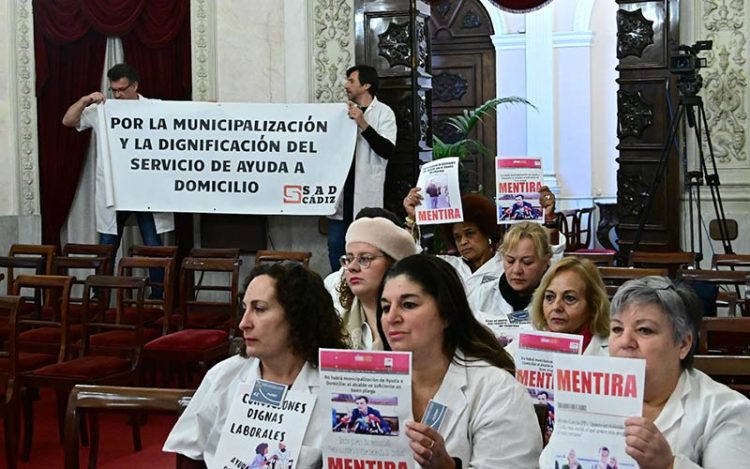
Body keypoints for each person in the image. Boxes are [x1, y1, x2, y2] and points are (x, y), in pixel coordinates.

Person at [163, 262, 349, 468]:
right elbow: (189, 454)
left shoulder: (336, 391)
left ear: (298, 317)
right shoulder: (223, 376)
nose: (244, 323)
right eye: (245, 309)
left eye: (259, 309)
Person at [377, 254, 542, 468]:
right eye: (385, 308)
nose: (391, 318)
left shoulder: (497, 390)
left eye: (408, 305)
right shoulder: (374, 384)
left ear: (447, 314)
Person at [608, 276, 750, 468]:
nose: (625, 342)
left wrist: (669, 465)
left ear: (683, 344)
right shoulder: (587, 394)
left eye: (644, 330)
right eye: (617, 328)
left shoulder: (726, 410)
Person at [61, 63, 173, 260]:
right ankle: (101, 290)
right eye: (114, 90)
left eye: (122, 90)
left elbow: (184, 121)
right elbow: (68, 121)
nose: (118, 95)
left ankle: (157, 292)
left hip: (144, 189)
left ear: (135, 86)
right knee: (107, 244)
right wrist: (85, 100)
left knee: (153, 245)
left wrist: (205, 109)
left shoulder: (153, 108)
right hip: (114, 189)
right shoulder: (103, 110)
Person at [327, 64, 397, 272]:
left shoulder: (384, 113)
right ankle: (339, 294)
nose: (346, 85)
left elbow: (386, 150)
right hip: (341, 194)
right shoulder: (340, 112)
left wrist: (362, 123)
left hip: (366, 192)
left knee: (365, 251)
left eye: (351, 81)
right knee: (336, 249)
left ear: (366, 85)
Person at [336, 217, 418, 350]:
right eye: (348, 259)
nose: (352, 267)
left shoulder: (416, 326)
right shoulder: (335, 326)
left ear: (393, 265)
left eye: (364, 259)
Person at [469, 221, 555, 345]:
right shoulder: (482, 294)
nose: (516, 270)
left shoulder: (557, 302)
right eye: (510, 261)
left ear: (545, 261)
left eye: (527, 262)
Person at [404, 191, 502, 296]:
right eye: (457, 237)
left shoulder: (506, 266)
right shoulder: (448, 265)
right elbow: (410, 261)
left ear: (487, 232)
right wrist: (411, 218)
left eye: (470, 234)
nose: (463, 242)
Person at [521, 256, 610, 356]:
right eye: (549, 297)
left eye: (569, 298)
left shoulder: (613, 353)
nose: (556, 307)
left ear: (593, 304)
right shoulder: (521, 346)